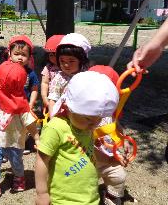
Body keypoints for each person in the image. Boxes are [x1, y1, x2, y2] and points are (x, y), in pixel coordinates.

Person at [35, 71, 119, 205]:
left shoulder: (86, 127)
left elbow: (87, 152)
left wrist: (110, 160)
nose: (94, 124)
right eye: (88, 119)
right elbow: (41, 160)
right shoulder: (56, 128)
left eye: (99, 119)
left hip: (90, 197)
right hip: (63, 199)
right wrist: (42, 193)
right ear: (69, 107)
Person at [0, 61, 39, 203]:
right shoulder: (0, 98)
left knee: (16, 164)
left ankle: (19, 177)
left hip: (14, 141)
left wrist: (37, 138)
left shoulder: (21, 106)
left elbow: (30, 123)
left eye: (0, 85)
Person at [88, 65, 129, 205]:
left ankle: (111, 194)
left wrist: (124, 140)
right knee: (86, 182)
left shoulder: (112, 110)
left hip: (110, 157)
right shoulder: (83, 110)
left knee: (119, 176)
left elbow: (116, 125)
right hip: (89, 159)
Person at [7, 35, 39, 154]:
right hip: (9, 105)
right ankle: (6, 149)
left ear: (29, 57)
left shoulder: (30, 73)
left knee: (24, 126)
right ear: (10, 54)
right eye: (16, 54)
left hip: (24, 106)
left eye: (24, 55)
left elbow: (35, 89)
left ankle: (22, 144)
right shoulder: (6, 70)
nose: (20, 57)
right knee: (9, 126)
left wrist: (31, 103)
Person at [48, 33, 91, 114]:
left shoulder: (87, 76)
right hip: (64, 116)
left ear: (82, 60)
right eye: (62, 61)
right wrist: (53, 118)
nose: (66, 65)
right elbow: (53, 100)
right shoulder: (59, 78)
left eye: (71, 61)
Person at [40, 35, 64, 109]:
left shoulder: (69, 67)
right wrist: (44, 97)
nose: (54, 58)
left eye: (57, 55)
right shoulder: (48, 68)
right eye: (51, 55)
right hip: (51, 99)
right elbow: (45, 82)